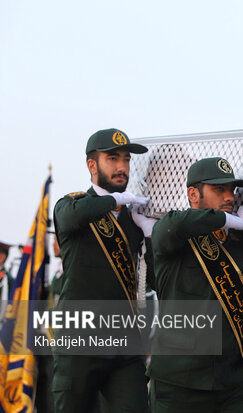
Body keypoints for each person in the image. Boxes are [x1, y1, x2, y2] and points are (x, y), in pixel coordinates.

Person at [148, 157, 243, 413]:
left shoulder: (242, 242)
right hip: (179, 382)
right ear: (193, 194)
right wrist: (223, 221)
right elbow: (172, 225)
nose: (229, 197)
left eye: (232, 190)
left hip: (232, 381)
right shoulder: (176, 237)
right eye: (219, 190)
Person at [52, 128, 156, 413]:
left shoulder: (133, 217)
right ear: (92, 165)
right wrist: (115, 201)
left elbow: (156, 279)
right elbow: (73, 216)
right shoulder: (71, 204)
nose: (122, 166)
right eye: (113, 158)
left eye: (126, 159)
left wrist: (150, 235)